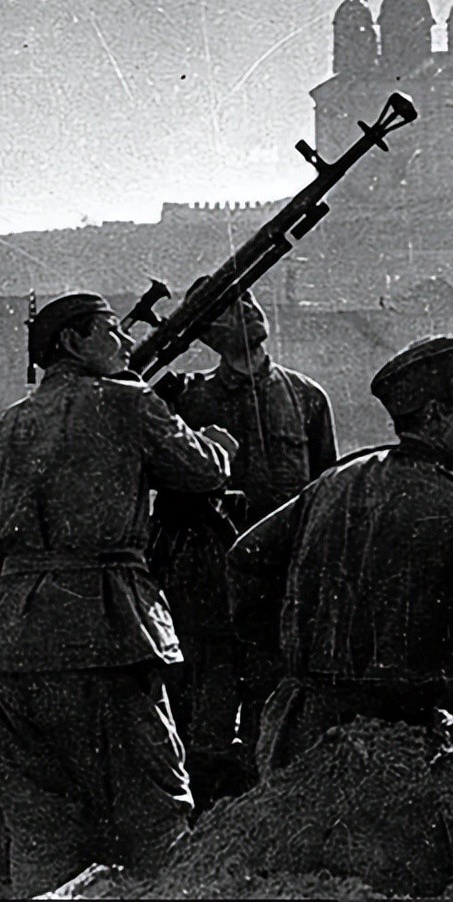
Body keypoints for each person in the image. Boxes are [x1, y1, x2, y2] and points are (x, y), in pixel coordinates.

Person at [0, 291, 237, 898]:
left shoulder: (0, 430)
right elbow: (202, 471)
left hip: (9, 646)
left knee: (40, 831)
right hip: (110, 632)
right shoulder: (128, 402)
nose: (127, 341)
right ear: (72, 342)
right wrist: (220, 446)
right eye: (112, 330)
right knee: (154, 815)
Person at [227, 335, 453, 774]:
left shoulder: (335, 482)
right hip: (397, 751)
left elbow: (246, 558)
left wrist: (300, 652)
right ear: (436, 414)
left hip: (297, 735)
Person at [163, 283, 337, 798]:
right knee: (206, 714)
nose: (248, 311)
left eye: (250, 299)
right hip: (207, 584)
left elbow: (323, 495)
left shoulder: (306, 398)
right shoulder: (187, 401)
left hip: (279, 582)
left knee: (276, 706)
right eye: (229, 306)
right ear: (207, 332)